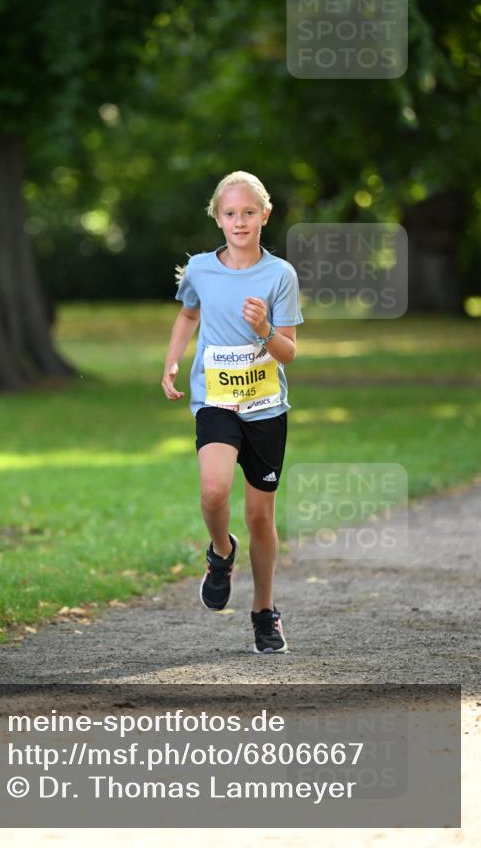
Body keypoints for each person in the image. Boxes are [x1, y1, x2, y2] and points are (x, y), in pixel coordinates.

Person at [161, 170, 303, 654]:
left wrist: (264, 328)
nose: (239, 221)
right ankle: (221, 552)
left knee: (261, 517)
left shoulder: (280, 275)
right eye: (230, 213)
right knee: (213, 488)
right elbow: (188, 314)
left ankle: (264, 612)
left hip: (265, 408)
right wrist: (172, 361)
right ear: (217, 218)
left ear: (265, 216)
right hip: (216, 402)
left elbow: (288, 353)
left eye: (248, 212)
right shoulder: (201, 268)